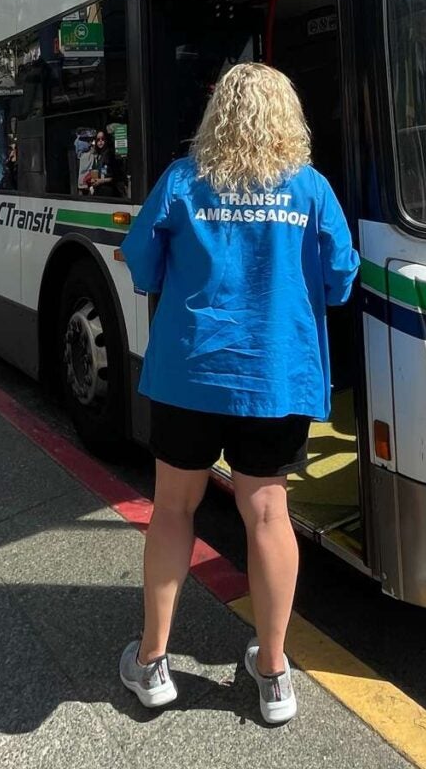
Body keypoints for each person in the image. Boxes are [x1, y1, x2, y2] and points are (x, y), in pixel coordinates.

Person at [118, 63, 359, 724]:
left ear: (216, 116)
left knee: (173, 510)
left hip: (190, 374)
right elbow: (341, 278)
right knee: (267, 514)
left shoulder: (181, 181)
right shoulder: (310, 189)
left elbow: (139, 264)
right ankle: (274, 672)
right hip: (275, 378)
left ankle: (152, 662)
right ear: (289, 117)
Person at [83, 129, 121, 196]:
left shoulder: (110, 155)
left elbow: (116, 177)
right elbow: (95, 172)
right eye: (98, 139)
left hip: (108, 192)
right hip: (99, 191)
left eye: (102, 139)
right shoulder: (98, 155)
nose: (100, 141)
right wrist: (92, 180)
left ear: (106, 140)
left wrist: (100, 181)